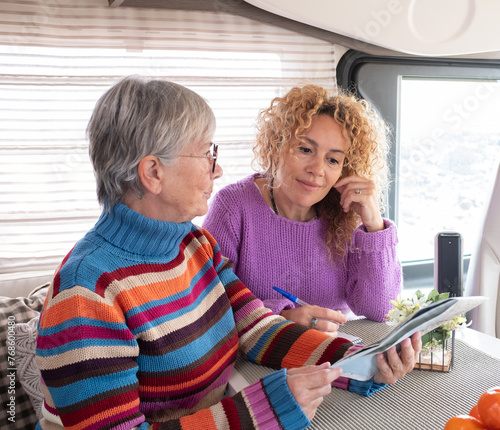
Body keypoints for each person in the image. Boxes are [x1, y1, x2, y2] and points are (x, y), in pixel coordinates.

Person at [35, 76, 420, 430]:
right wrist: (262, 409)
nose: (217, 170)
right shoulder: (85, 293)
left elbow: (255, 325)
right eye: (206, 153)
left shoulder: (192, 243)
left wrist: (360, 361)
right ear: (153, 173)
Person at [203, 84, 400, 336]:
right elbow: (209, 307)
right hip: (260, 357)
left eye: (333, 160)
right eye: (305, 150)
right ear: (277, 146)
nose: (318, 169)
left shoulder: (346, 212)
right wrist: (280, 317)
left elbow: (381, 310)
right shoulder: (233, 207)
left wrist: (375, 227)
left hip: (334, 352)